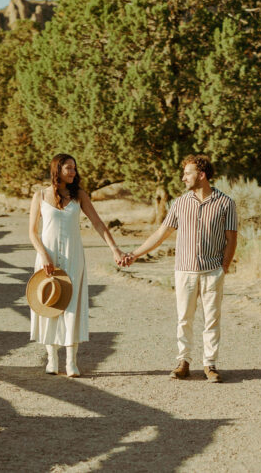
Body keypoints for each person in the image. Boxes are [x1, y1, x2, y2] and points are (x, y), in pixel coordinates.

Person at [125, 154, 238, 383]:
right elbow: (161, 233)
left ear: (202, 175)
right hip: (184, 270)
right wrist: (135, 254)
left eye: (188, 173)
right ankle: (183, 362)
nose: (183, 177)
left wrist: (223, 268)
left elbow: (231, 238)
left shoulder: (226, 203)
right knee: (184, 318)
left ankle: (210, 364)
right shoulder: (180, 203)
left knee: (212, 319)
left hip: (212, 271)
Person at [29, 153, 127, 377]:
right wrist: (43, 255)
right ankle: (52, 358)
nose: (73, 172)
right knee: (49, 302)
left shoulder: (79, 195)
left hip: (73, 256)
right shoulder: (40, 196)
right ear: (57, 170)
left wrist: (115, 249)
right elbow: (32, 232)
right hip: (47, 257)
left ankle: (71, 361)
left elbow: (98, 223)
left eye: (74, 168)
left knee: (71, 304)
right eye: (68, 168)